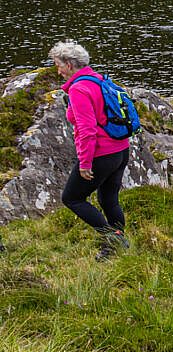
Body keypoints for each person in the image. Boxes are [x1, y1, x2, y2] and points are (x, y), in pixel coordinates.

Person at [50, 40, 132, 261]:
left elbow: (87, 130)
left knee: (72, 198)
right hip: (121, 149)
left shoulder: (79, 89)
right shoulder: (99, 79)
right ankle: (115, 246)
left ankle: (113, 239)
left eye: (58, 65)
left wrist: (85, 163)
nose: (57, 70)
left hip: (101, 153)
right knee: (109, 199)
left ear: (69, 64)